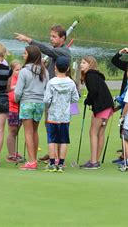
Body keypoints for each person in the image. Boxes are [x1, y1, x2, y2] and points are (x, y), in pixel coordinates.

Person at [15, 24, 71, 162]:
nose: (51, 39)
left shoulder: (64, 52)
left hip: (59, 96)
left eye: (54, 36)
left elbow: (48, 50)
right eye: (50, 36)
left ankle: (56, 157)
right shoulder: (57, 51)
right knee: (49, 124)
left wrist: (29, 40)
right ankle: (52, 153)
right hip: (51, 93)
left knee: (58, 124)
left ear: (63, 38)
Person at [43, 56, 80, 172]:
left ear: (55, 67)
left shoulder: (51, 82)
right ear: (68, 68)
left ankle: (53, 163)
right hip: (65, 116)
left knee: (52, 140)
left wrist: (48, 108)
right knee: (63, 140)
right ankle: (61, 164)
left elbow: (46, 100)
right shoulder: (71, 83)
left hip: (53, 115)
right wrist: (72, 111)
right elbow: (75, 99)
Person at [15, 46, 49, 170]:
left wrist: (17, 99)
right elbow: (47, 89)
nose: (23, 55)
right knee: (34, 131)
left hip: (27, 103)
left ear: (30, 56)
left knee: (28, 132)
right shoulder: (44, 71)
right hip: (40, 103)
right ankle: (33, 158)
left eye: (25, 53)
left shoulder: (24, 71)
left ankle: (31, 161)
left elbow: (18, 91)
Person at [79, 56, 114, 170]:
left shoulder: (90, 75)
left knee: (93, 132)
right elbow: (96, 90)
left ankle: (94, 161)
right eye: (81, 62)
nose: (81, 64)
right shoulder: (95, 75)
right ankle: (96, 160)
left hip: (101, 106)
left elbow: (94, 91)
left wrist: (88, 100)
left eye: (84, 63)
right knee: (100, 133)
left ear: (90, 64)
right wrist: (89, 99)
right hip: (107, 106)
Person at [6, 60, 24, 162]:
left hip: (20, 110)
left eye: (21, 69)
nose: (20, 71)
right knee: (12, 132)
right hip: (13, 110)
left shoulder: (21, 80)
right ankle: (11, 155)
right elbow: (13, 98)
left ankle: (14, 152)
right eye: (17, 70)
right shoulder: (11, 80)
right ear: (12, 71)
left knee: (16, 132)